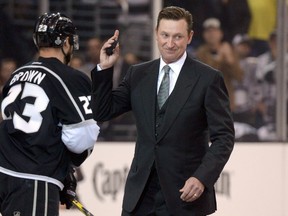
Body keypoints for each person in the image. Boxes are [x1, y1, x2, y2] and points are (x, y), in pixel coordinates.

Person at [91, 6, 234, 216]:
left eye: (178, 37)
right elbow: (102, 112)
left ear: (190, 37)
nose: (170, 43)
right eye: (165, 35)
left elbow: (224, 137)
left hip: (184, 197)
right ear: (156, 33)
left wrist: (202, 178)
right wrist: (105, 69)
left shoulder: (208, 79)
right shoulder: (137, 74)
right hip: (139, 198)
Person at [0, 12, 99, 215]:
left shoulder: (17, 74)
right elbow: (81, 140)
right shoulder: (71, 78)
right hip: (32, 178)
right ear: (66, 43)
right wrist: (64, 168)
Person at [195, 17, 244, 112]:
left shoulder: (229, 50)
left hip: (226, 103)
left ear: (221, 34)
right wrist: (220, 57)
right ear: (204, 35)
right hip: (207, 104)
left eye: (215, 31)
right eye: (209, 31)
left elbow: (239, 77)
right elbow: (208, 76)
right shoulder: (201, 52)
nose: (212, 34)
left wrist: (230, 60)